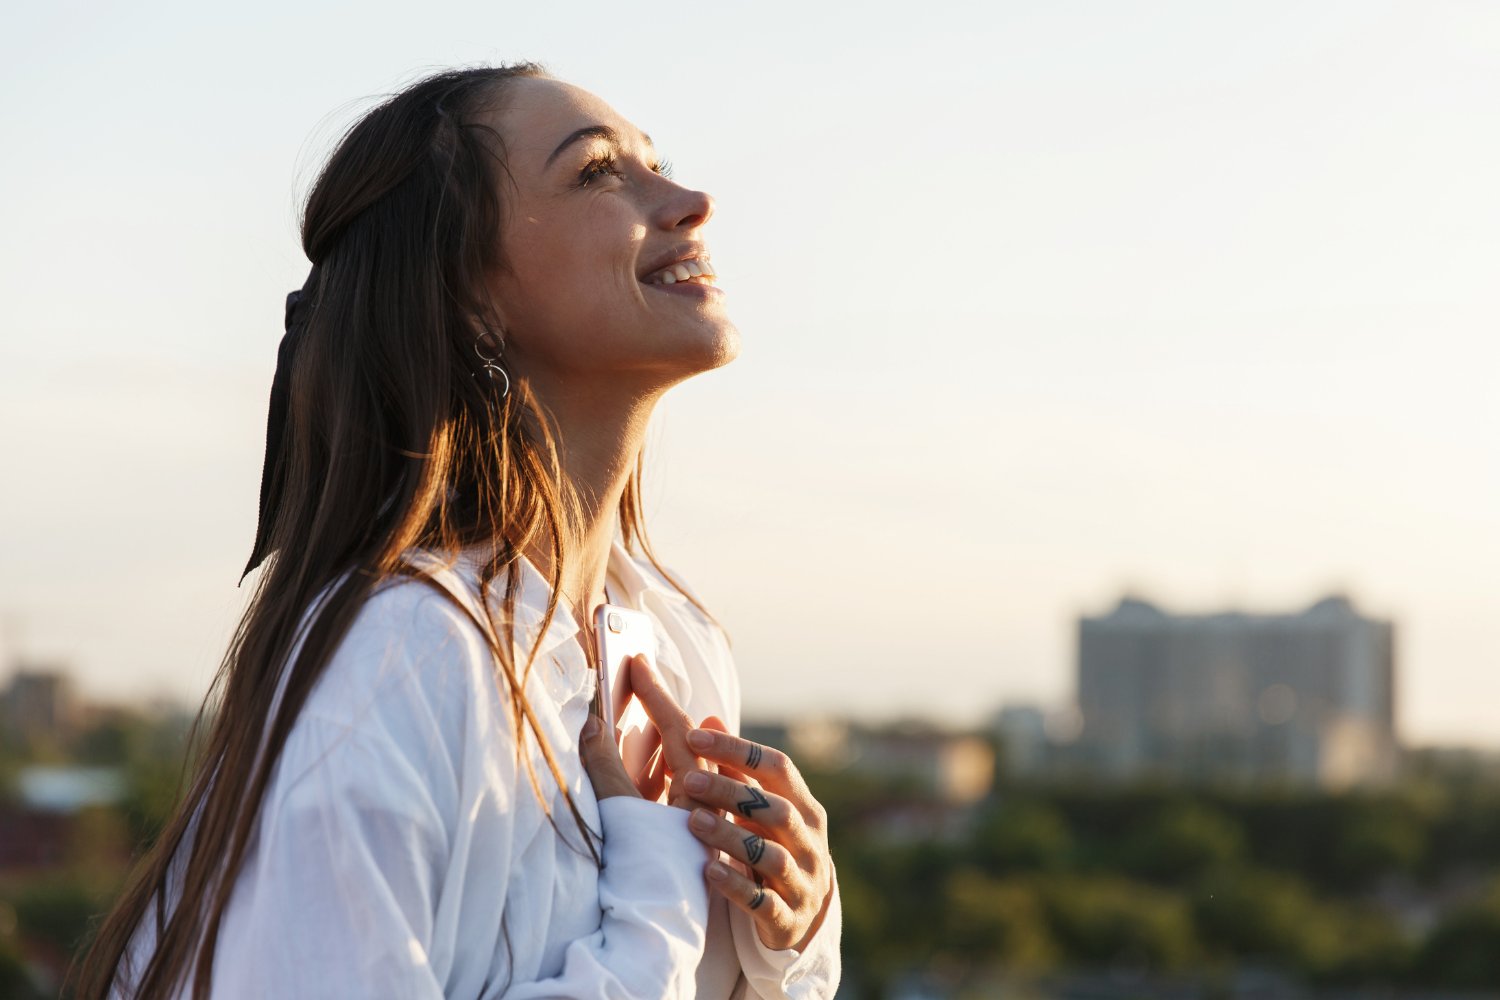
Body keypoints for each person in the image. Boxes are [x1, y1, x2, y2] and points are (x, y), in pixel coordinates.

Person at [72, 63, 841, 999]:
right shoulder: (400, 656)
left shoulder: (680, 646)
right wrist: (659, 906)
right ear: (469, 290)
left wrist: (792, 931)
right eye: (599, 172)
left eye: (658, 162)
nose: (692, 201)